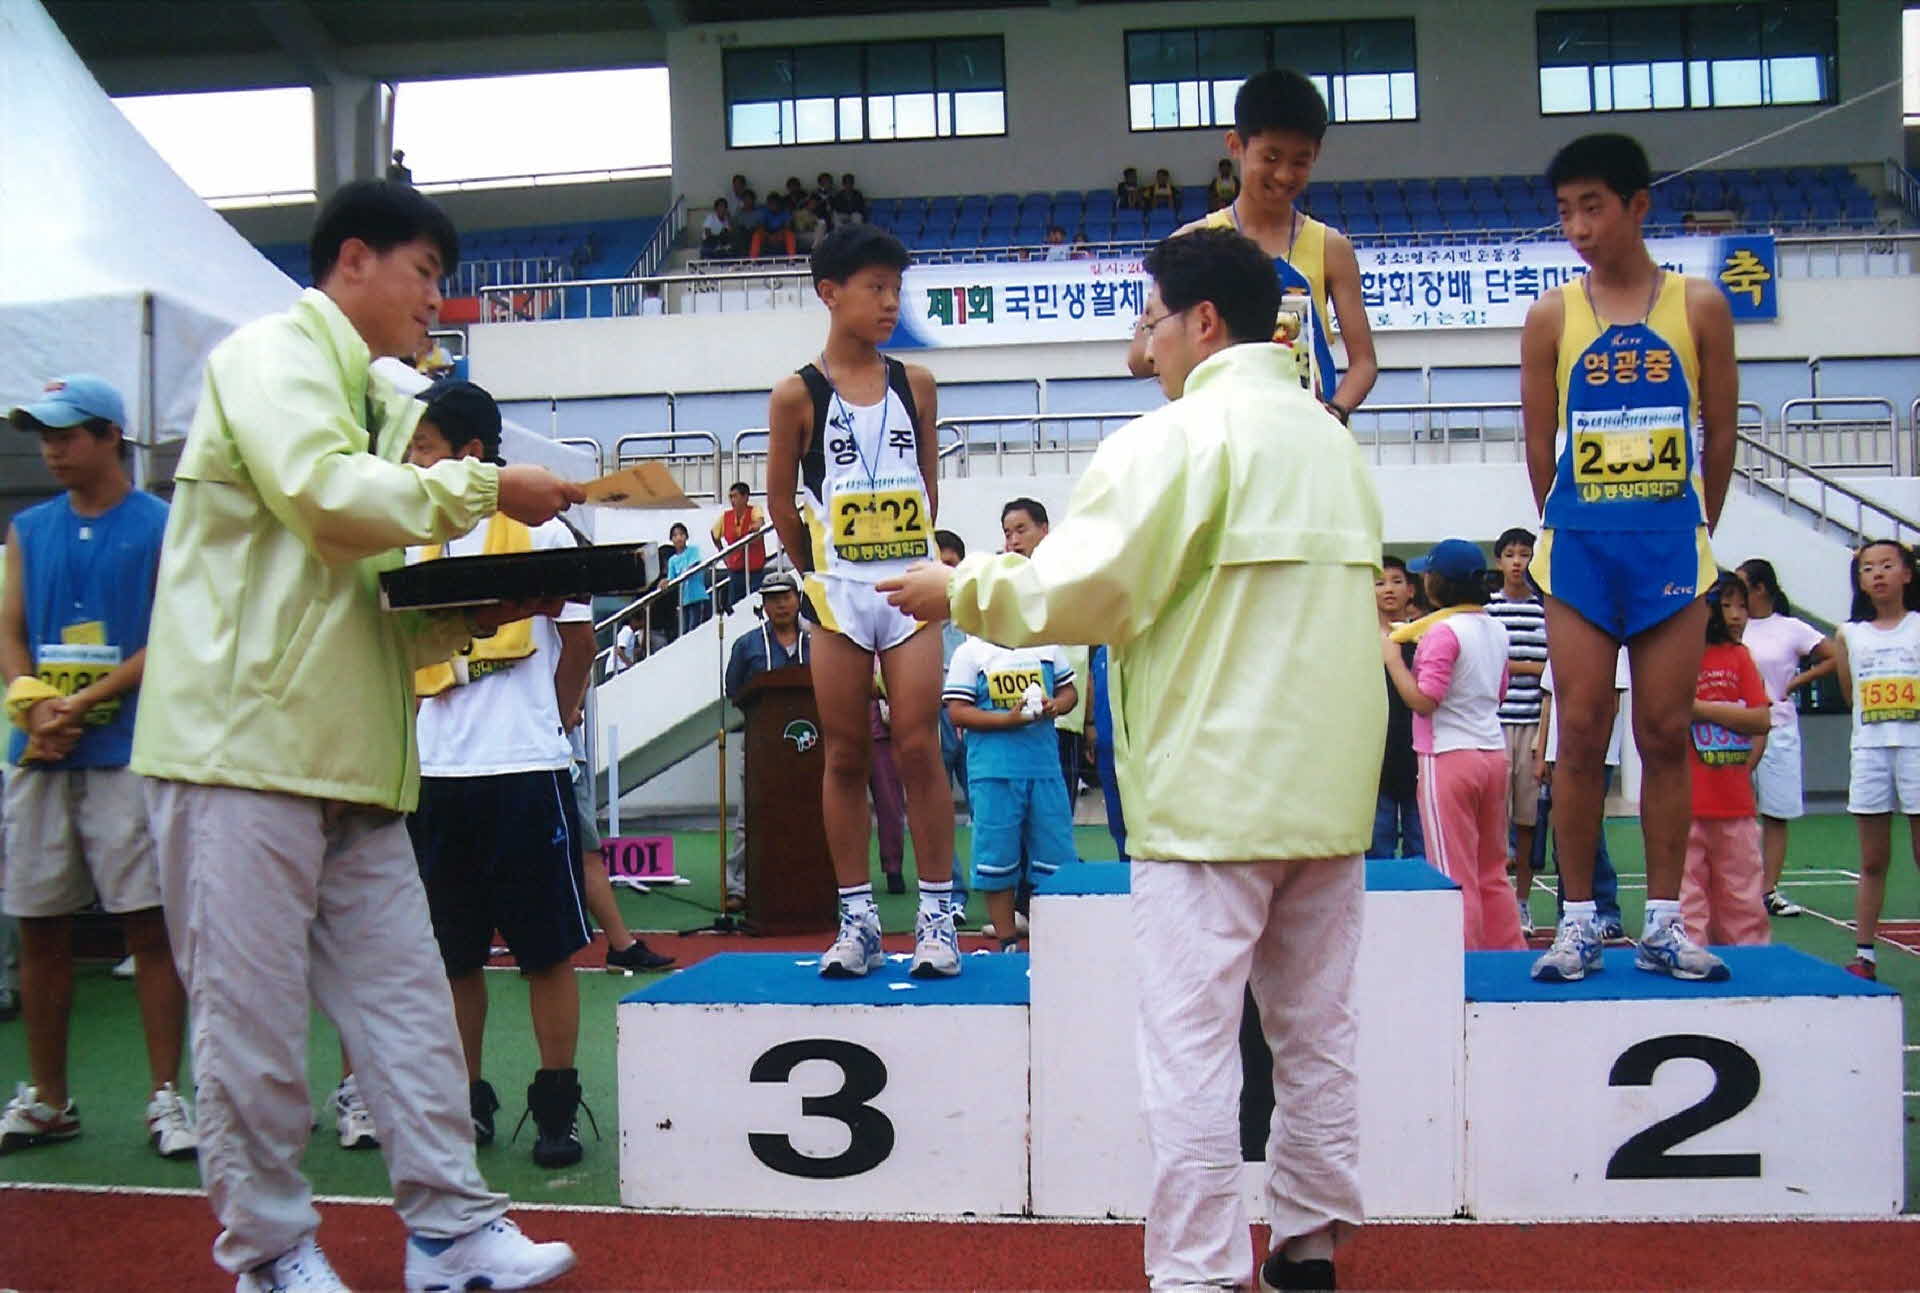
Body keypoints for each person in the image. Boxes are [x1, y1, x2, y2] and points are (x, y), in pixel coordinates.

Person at [879, 226, 1383, 1293]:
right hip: (1330, 795)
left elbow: (1078, 590)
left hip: (1208, 797)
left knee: (1192, 1045)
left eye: (1150, 320)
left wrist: (957, 588)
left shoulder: (1171, 438)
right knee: (1317, 1033)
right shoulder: (1334, 442)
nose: (1143, 344)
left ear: (1203, 321)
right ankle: (1309, 1245)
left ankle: (1199, 1270)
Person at [130, 179, 582, 1291]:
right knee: (250, 1028)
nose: (438, 300)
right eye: (426, 273)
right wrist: (487, 487)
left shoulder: (378, 401)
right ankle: (272, 1254)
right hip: (240, 753)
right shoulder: (269, 357)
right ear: (354, 261)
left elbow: (358, 590)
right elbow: (326, 498)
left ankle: (453, 1231)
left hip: (358, 762)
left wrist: (473, 611)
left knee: (411, 1009)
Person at [1521, 132, 1737, 984]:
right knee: (1579, 732)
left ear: (1638, 205)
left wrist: (1694, 523)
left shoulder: (1700, 306)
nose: (1577, 227)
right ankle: (1577, 921)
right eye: (1565, 211)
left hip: (1671, 547)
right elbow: (1539, 440)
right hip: (1579, 547)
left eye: (1593, 207)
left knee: (1664, 731)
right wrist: (1568, 521)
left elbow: (1721, 430)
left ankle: (1664, 922)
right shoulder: (1551, 316)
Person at [403, 381, 599, 1170]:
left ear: (470, 453)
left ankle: (556, 1108)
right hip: (436, 772)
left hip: (524, 768)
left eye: (422, 447)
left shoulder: (542, 525)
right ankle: (466, 1103)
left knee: (546, 952)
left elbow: (579, 643)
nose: (410, 461)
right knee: (453, 955)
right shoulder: (410, 531)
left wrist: (553, 721)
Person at [0, 374, 194, 1161]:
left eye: (68, 433)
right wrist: (32, 703)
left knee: (149, 924)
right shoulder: (27, 528)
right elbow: (10, 629)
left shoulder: (162, 525)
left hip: (130, 752)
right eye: (44, 434)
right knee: (39, 924)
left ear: (112, 434)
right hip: (40, 754)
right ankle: (49, 1098)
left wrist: (80, 703)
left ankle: (165, 1094)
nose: (52, 448)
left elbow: (171, 632)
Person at [764, 224, 959, 979]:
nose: (889, 303)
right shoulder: (796, 394)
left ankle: (937, 917)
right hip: (837, 594)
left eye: (895, 290)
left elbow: (928, 487)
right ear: (830, 292)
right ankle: (858, 920)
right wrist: (818, 577)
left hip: (910, 587)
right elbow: (781, 504)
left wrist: (918, 559)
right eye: (875, 288)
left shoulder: (917, 384)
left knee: (918, 745)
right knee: (844, 753)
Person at [1128, 69, 1378, 417]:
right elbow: (1140, 359)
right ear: (1235, 145)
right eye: (1270, 158)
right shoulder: (1193, 244)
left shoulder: (1331, 248)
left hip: (1306, 434)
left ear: (1316, 154)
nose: (1284, 174)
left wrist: (1334, 413)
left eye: (1300, 161)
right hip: (1221, 433)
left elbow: (1364, 363)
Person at [1383, 541, 1525, 952]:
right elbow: (1500, 691)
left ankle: (1463, 960)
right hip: (1492, 753)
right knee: (1492, 869)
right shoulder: (1496, 628)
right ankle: (1507, 953)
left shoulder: (1441, 632)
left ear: (1437, 583)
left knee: (1452, 870)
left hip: (1447, 756)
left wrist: (1393, 660)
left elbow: (1425, 700)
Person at [943, 632, 1077, 951]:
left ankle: (1055, 943)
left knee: (1056, 857)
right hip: (993, 771)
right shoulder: (970, 652)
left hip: (1043, 768)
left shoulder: (1047, 646)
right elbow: (957, 711)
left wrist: (1056, 705)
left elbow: (1069, 692)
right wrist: (1008, 720)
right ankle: (1007, 941)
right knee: (997, 856)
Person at [1833, 540, 1920, 981]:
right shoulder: (1849, 635)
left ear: (1907, 573)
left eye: (1887, 565)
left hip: (1916, 750)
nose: (1878, 574)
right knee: (1872, 859)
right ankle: (1865, 954)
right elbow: (1850, 695)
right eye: (1868, 568)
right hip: (1869, 752)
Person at [1735, 557, 1837, 917]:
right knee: (1735, 812)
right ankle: (1735, 889)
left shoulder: (1790, 628)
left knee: (1776, 812)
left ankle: (1768, 890)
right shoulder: (1732, 625)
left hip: (1778, 727)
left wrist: (1794, 683)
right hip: (1734, 727)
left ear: (1761, 588)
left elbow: (1834, 656)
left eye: (1743, 586)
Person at [1681, 573, 1773, 950]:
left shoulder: (1739, 657)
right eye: (1726, 605)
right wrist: (1730, 713)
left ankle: (1748, 963)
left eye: (1742, 606)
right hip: (1683, 803)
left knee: (1742, 897)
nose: (1736, 615)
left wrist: (1701, 709)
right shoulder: (1676, 657)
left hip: (1734, 802)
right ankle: (1690, 959)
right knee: (1688, 902)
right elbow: (1666, 712)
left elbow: (1760, 719)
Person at [723, 568, 812, 911]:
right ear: (764, 605)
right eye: (772, 599)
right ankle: (739, 886)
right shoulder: (747, 645)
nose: (780, 605)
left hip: (811, 746)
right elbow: (734, 690)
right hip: (761, 745)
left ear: (798, 600)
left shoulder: (816, 640)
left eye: (785, 597)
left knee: (811, 813)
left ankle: (813, 882)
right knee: (751, 816)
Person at [1534, 651, 1628, 939]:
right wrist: (1542, 752)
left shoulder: (1614, 651)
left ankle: (1606, 910)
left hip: (1594, 757)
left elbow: (1612, 704)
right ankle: (1568, 912)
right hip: (1559, 754)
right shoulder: (1560, 648)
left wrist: (1590, 751)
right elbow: (1548, 702)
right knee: (1564, 835)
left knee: (1588, 832)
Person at [1486, 527, 1548, 931]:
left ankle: (1522, 903)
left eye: (1524, 555)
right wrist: (1529, 668)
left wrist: (1544, 740)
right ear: (1499, 561)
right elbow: (1489, 664)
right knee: (1493, 821)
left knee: (1527, 821)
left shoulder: (1545, 612)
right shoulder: (1488, 610)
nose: (1517, 562)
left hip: (1532, 725)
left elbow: (1552, 673)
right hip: (1492, 725)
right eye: (1510, 555)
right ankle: (1496, 902)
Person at [1369, 556, 1423, 860]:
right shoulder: (1359, 640)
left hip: (1419, 752)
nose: (1388, 589)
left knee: (1422, 848)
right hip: (1374, 756)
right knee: (1377, 847)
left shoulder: (1426, 637)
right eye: (1380, 583)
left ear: (1411, 590)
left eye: (1396, 581)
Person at [711, 481, 769, 610]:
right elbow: (714, 534)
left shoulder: (754, 510)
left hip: (755, 570)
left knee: (756, 603)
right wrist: (722, 553)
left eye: (735, 496)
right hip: (735, 570)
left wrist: (755, 527)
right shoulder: (725, 517)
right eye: (730, 497)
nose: (732, 500)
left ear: (745, 497)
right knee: (736, 607)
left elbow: (760, 522)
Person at [665, 522, 710, 635]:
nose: (678, 538)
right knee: (685, 631)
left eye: (681, 534)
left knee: (695, 628)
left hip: (697, 596)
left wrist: (683, 573)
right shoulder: (672, 560)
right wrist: (664, 582)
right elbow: (671, 578)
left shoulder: (693, 550)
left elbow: (693, 565)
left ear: (686, 536)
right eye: (675, 535)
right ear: (671, 539)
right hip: (684, 600)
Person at [751, 193, 797, 260]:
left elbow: (787, 226)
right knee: (757, 234)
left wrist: (777, 234)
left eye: (774, 203)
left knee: (789, 234)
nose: (771, 205)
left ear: (779, 204)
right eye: (769, 203)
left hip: (780, 235)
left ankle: (791, 259)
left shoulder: (785, 212)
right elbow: (761, 226)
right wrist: (769, 235)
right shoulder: (765, 211)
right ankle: (753, 260)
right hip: (767, 235)